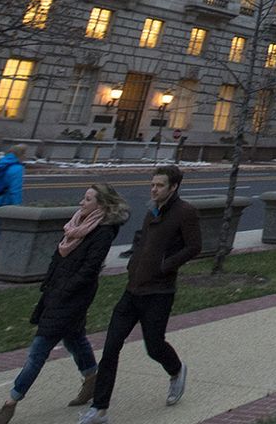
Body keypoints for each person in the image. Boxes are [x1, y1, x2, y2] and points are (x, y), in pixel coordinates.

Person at [0, 183, 130, 424]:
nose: (81, 203)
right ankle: (91, 378)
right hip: (56, 293)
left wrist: (64, 290)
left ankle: (11, 402)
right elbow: (59, 256)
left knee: (38, 352)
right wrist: (51, 283)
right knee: (74, 338)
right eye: (83, 198)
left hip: (72, 297)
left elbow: (89, 269)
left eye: (87, 199)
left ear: (101, 205)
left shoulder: (103, 232)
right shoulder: (76, 225)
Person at [78, 164, 200, 424]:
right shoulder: (152, 209)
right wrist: (134, 260)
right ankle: (100, 409)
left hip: (159, 292)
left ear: (174, 187)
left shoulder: (185, 212)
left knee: (154, 346)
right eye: (152, 184)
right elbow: (144, 238)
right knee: (111, 347)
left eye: (159, 185)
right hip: (133, 290)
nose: (154, 189)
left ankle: (176, 370)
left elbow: (194, 246)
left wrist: (165, 266)